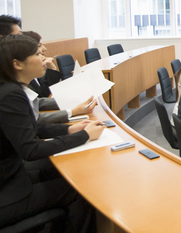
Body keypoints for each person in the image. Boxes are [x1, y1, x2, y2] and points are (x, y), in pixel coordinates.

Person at [0, 34, 105, 231]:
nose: (44, 58)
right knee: (81, 191)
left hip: (11, 177)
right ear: (17, 64)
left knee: (56, 171)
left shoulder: (10, 89)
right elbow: (30, 150)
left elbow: (33, 127)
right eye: (36, 54)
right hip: (8, 189)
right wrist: (84, 136)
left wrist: (70, 128)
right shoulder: (11, 95)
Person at [22, 31, 62, 98]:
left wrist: (51, 69)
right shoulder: (26, 75)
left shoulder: (37, 71)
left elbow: (46, 94)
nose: (44, 49)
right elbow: (40, 101)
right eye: (39, 46)